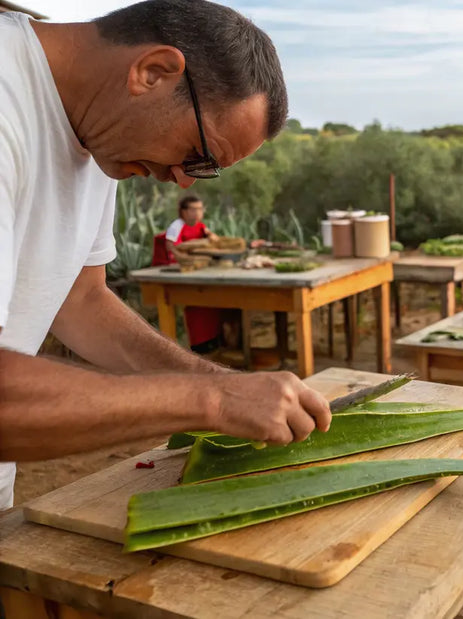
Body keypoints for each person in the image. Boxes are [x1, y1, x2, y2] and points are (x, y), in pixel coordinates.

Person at [0, 0, 332, 509]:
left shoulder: (101, 131)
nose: (181, 178)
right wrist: (212, 401)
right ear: (153, 72)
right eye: (198, 155)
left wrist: (217, 379)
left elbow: (79, 298)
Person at [164, 194, 224, 354]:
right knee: (196, 307)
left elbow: (214, 239)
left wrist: (211, 238)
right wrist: (186, 259)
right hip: (181, 270)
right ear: (183, 212)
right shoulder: (177, 225)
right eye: (193, 209)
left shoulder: (201, 226)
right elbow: (171, 247)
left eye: (200, 209)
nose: (197, 213)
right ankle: (198, 344)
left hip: (199, 269)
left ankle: (213, 340)